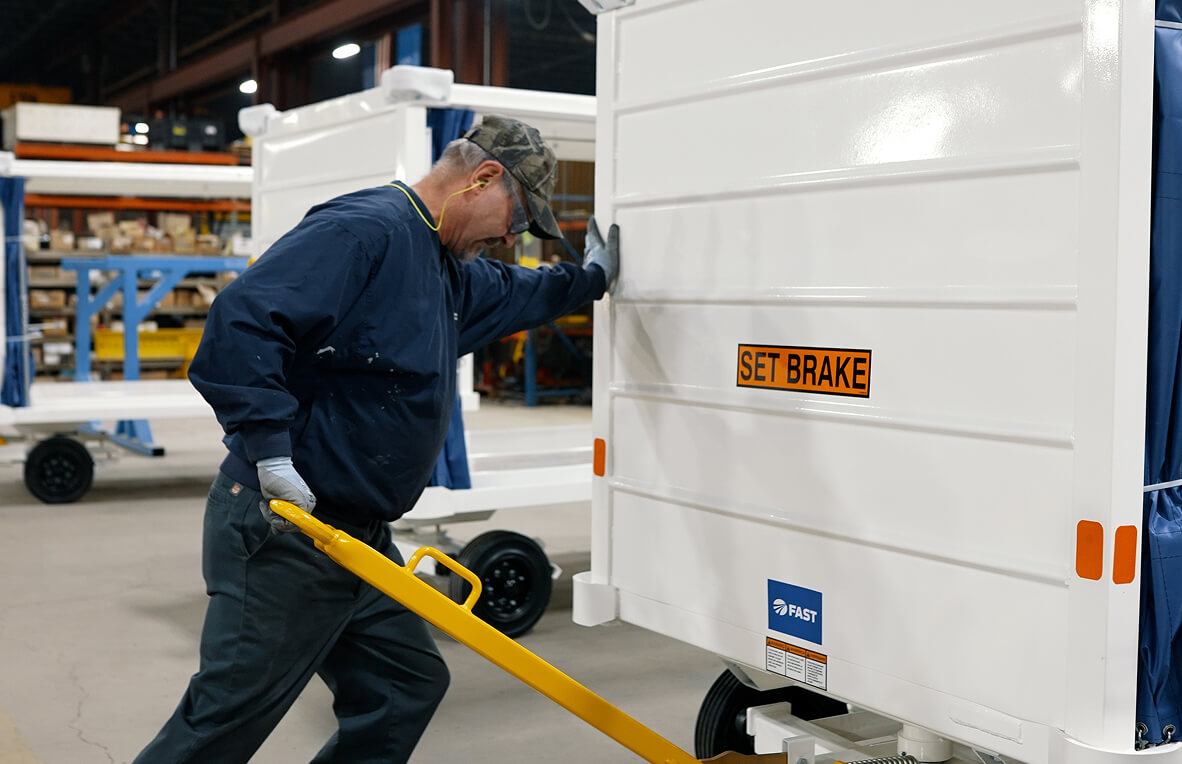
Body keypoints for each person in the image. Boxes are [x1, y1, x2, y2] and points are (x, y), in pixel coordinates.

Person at [134, 114, 618, 764]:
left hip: (357, 541)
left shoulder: (446, 271)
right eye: (518, 217)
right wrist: (270, 450)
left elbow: (519, 290)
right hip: (290, 532)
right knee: (221, 723)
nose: (511, 237)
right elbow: (243, 322)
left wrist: (591, 279)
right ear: (484, 177)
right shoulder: (365, 232)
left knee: (404, 682)